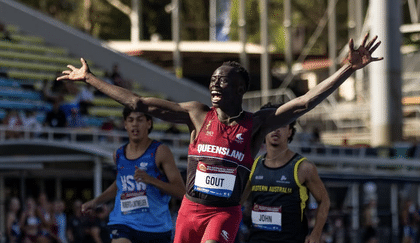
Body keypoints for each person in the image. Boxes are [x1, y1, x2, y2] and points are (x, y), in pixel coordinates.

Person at [58, 34, 382, 243]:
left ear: (240, 89)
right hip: (189, 210)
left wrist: (348, 70)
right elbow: (138, 104)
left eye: (222, 81)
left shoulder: (257, 124)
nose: (214, 85)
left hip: (223, 213)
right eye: (212, 80)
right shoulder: (197, 114)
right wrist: (90, 79)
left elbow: (304, 102)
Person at [81, 107, 186, 243]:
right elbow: (119, 184)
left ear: (149, 123)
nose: (135, 124)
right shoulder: (118, 154)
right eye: (130, 120)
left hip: (156, 227)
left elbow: (181, 191)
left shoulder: (160, 152)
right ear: (125, 124)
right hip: (124, 222)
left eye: (139, 120)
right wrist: (96, 201)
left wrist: (151, 180)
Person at [241, 102, 330, 243]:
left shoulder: (304, 167)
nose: (276, 130)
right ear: (264, 130)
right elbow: (237, 203)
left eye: (282, 125)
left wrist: (316, 234)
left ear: (290, 131)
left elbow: (324, 200)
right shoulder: (253, 165)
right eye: (272, 125)